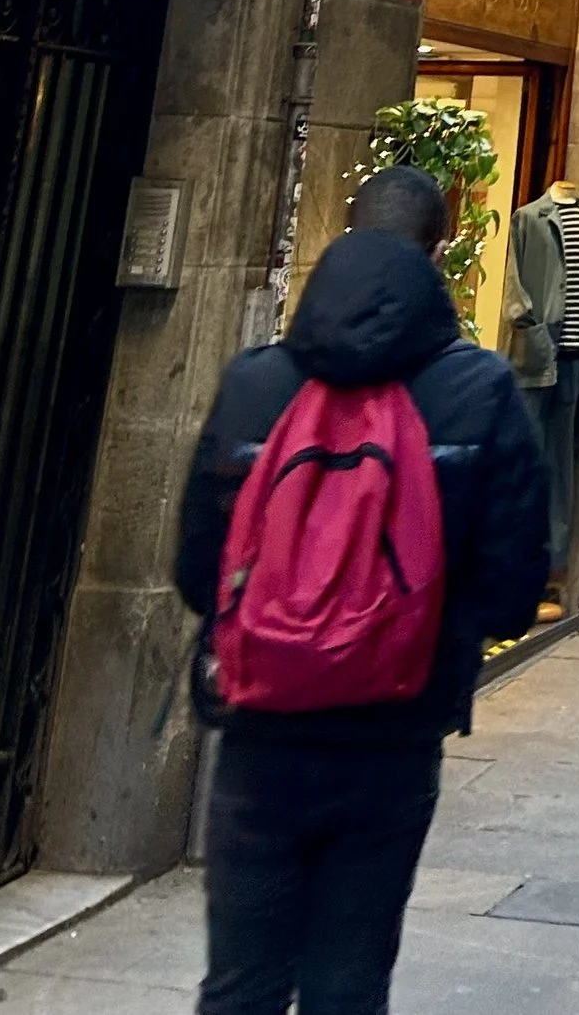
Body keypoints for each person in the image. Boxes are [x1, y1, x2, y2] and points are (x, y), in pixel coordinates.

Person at [176, 165, 549, 1015]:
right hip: (395, 726)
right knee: (350, 978)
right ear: (440, 249)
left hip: (260, 726)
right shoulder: (477, 389)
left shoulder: (256, 381)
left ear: (342, 233)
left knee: (239, 979)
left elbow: (199, 567)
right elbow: (515, 588)